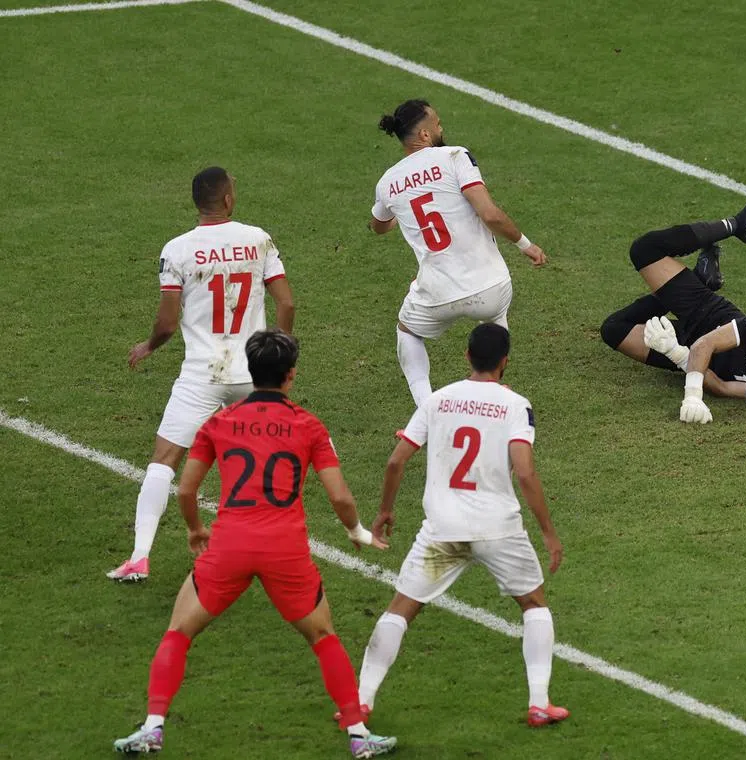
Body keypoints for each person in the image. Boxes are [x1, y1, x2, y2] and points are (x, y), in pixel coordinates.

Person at [112, 329, 397, 758]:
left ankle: (153, 727)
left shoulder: (218, 422)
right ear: (290, 376)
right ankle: (358, 734)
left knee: (179, 631)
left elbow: (187, 490)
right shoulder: (309, 425)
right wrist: (356, 532)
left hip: (230, 544)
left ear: (251, 370)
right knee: (323, 636)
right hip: (286, 548)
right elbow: (339, 496)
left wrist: (194, 529)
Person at [352, 324, 568, 727]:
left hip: (442, 530)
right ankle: (539, 703)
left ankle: (361, 701)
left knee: (399, 611)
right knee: (534, 605)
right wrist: (548, 532)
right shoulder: (515, 405)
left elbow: (397, 460)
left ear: (466, 356)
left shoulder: (438, 400)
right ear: (505, 361)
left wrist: (384, 511)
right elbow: (524, 472)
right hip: (498, 529)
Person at [107, 167, 296, 582]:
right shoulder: (257, 239)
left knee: (164, 460)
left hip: (201, 374)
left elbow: (167, 323)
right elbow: (286, 304)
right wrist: (278, 355)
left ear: (198, 203)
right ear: (228, 200)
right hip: (253, 372)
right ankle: (270, 555)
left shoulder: (177, 249)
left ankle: (139, 557)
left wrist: (149, 346)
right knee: (265, 462)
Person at [599, 184, 746, 423]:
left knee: (613, 329)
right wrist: (692, 396)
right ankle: (737, 226)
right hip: (705, 313)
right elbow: (706, 344)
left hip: (683, 350)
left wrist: (675, 353)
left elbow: (722, 387)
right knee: (644, 249)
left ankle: (702, 278)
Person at [369, 99, 547, 408]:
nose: (441, 128)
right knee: (494, 323)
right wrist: (525, 244)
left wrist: (400, 210)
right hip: (491, 288)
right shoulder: (454, 156)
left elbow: (379, 226)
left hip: (437, 293)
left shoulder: (387, 183)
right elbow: (490, 215)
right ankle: (490, 399)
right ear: (424, 135)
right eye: (437, 124)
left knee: (407, 333)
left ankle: (427, 409)